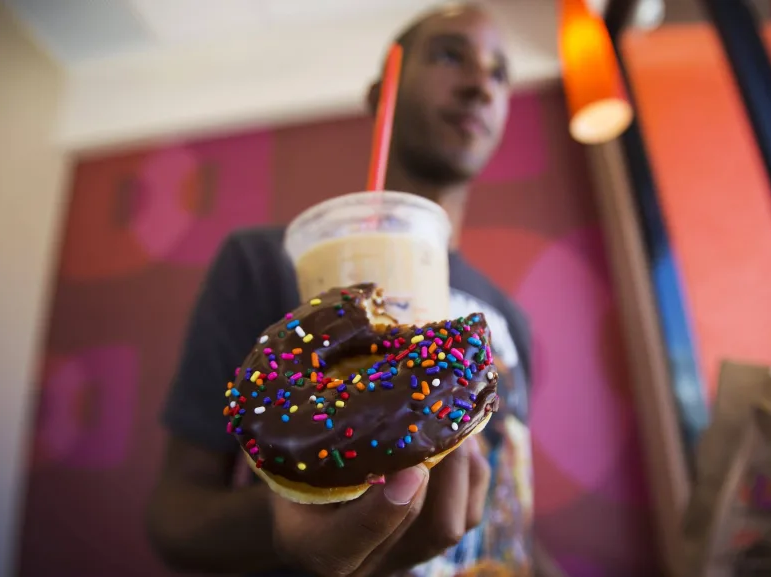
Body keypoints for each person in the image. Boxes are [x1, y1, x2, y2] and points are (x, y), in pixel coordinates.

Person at [146, 3, 565, 576]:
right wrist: (301, 504)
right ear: (381, 95)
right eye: (449, 56)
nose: (480, 86)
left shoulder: (508, 320)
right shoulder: (265, 262)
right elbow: (175, 517)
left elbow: (508, 513)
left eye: (499, 74)